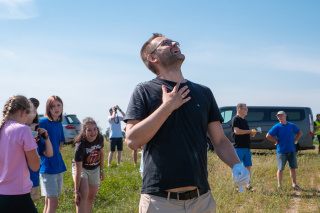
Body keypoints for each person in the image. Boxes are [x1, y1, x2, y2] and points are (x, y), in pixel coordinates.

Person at [124, 33, 250, 213]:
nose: (174, 42)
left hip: (201, 200)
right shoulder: (144, 91)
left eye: (174, 41)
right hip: (160, 201)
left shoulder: (203, 92)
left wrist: (237, 165)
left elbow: (220, 141)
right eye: (165, 43)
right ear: (152, 57)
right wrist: (167, 106)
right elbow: (132, 140)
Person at [0, 95, 41, 213]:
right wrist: (32, 147)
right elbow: (35, 166)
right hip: (19, 195)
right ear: (23, 112)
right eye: (27, 116)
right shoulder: (23, 130)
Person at [39, 96, 67, 213]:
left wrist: (56, 155)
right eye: (52, 106)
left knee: (48, 202)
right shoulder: (43, 122)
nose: (56, 108)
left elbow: (60, 142)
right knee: (53, 202)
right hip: (47, 167)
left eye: (58, 105)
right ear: (48, 109)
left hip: (58, 166)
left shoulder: (58, 123)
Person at [72, 117, 105, 213]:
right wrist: (76, 191)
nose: (93, 132)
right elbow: (78, 170)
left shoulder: (100, 138)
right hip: (82, 168)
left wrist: (102, 171)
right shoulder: (80, 146)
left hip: (95, 168)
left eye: (95, 129)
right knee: (83, 193)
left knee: (91, 197)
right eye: (89, 130)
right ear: (84, 132)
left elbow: (101, 154)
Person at [266, 111, 303, 190]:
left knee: (292, 168)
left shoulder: (291, 125)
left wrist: (295, 140)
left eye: (281, 116)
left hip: (291, 150)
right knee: (280, 169)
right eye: (278, 116)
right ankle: (279, 186)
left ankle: (294, 185)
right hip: (281, 151)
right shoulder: (276, 127)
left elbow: (300, 133)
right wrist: (276, 140)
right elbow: (268, 135)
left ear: (285, 116)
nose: (280, 117)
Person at [27, 98, 53, 202]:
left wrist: (46, 137)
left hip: (33, 179)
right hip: (18, 181)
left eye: (35, 109)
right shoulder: (17, 130)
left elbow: (49, 153)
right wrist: (30, 132)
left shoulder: (36, 131)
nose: (34, 111)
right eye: (31, 108)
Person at [231, 103, 256, 190]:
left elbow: (247, 134)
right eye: (245, 109)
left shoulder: (245, 120)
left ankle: (247, 185)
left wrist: (251, 133)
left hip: (246, 147)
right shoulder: (235, 119)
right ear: (239, 110)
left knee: (248, 166)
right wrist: (249, 131)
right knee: (237, 167)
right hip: (238, 147)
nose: (247, 110)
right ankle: (236, 186)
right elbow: (237, 131)